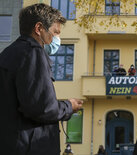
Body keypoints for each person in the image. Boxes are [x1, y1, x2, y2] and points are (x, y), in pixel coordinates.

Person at [0, 3, 83, 155]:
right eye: (55, 32)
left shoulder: (7, 54)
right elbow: (42, 108)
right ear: (39, 29)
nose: (57, 39)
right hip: (31, 147)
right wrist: (69, 106)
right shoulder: (33, 53)